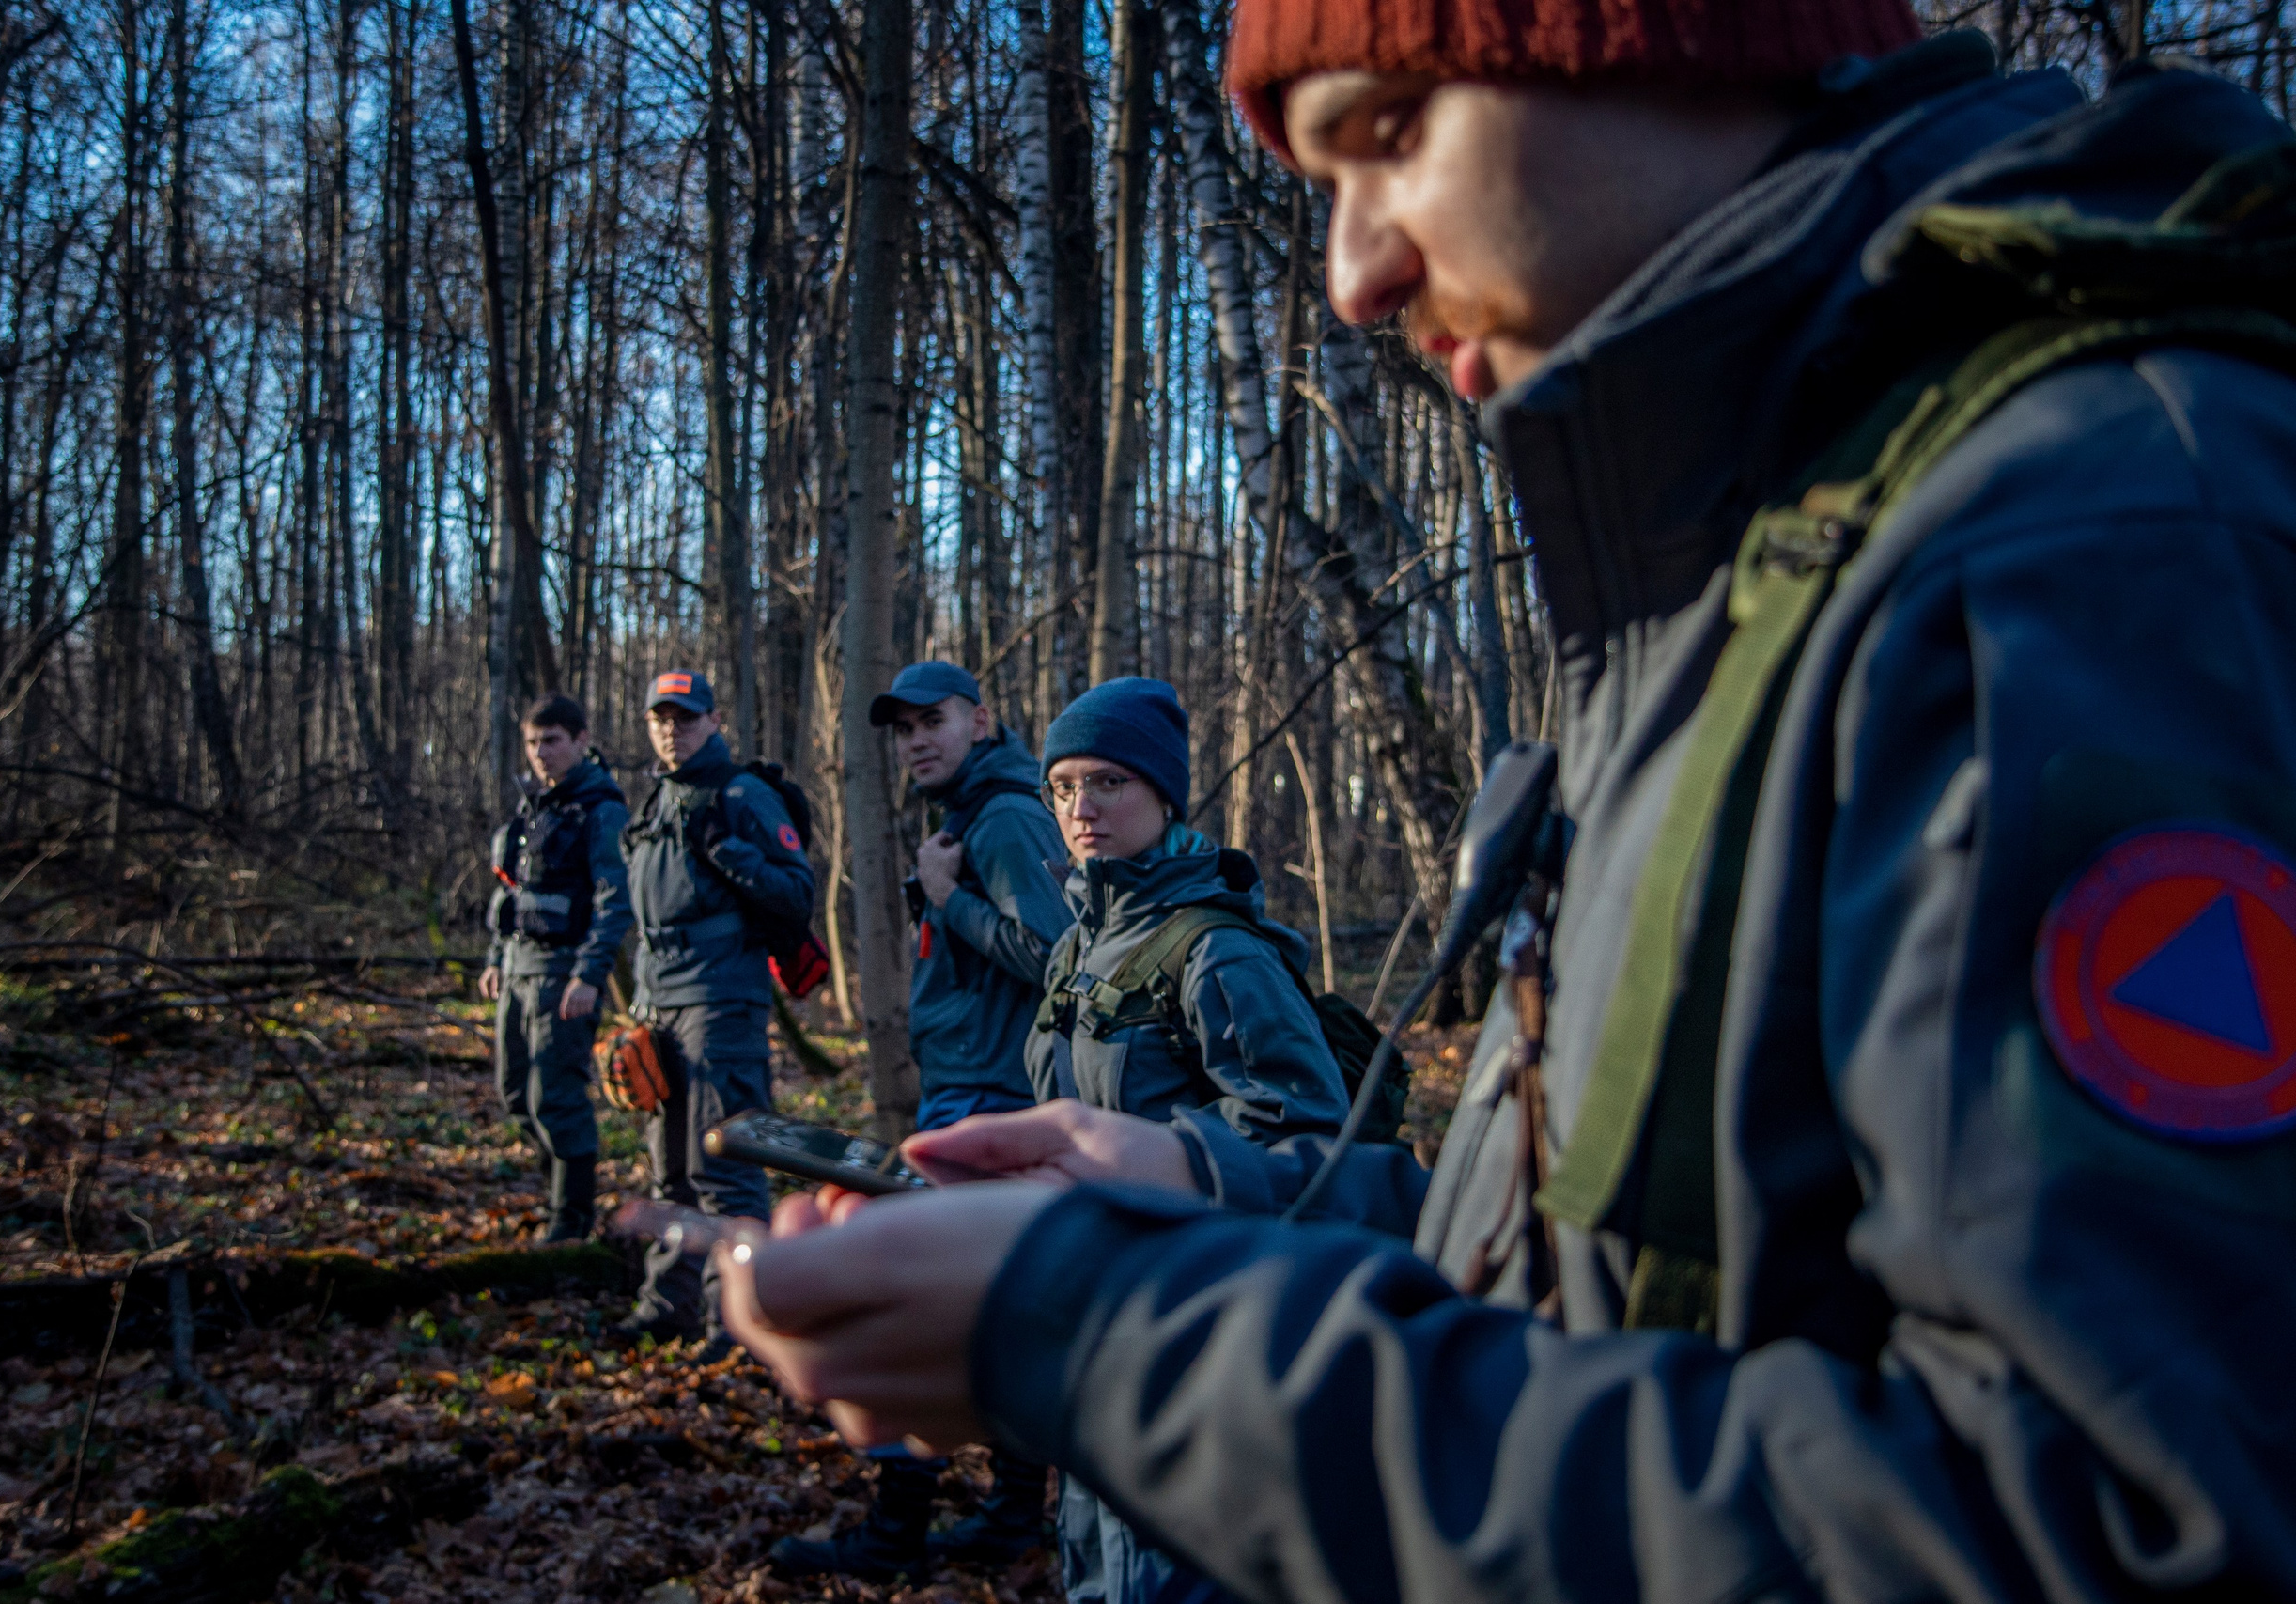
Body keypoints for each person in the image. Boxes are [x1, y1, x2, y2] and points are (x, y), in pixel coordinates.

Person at [714, 5, 2296, 1602]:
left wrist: (1128, 1347)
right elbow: (1624, 1272)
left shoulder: (2098, 537)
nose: (1353, 272)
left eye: (1390, 132)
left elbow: (2122, 1526)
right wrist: (1203, 1191)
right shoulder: (1748, 569)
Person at [1035, 677, 1354, 1604]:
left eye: (1105, 783)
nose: (1080, 808)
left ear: (1161, 794)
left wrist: (1148, 1167)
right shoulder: (1079, 943)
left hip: (1188, 1307)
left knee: (1160, 1566)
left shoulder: (1217, 950)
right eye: (1061, 787)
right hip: (1088, 1292)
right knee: (1092, 1552)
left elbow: (1305, 1134)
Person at [771, 661, 1074, 1582]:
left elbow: (1053, 955)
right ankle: (1012, 1513)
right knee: (1001, 1313)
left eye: (933, 721)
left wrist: (949, 900)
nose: (917, 742)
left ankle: (899, 1531)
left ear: (980, 718)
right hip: (967, 1094)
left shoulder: (1011, 814)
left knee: (903, 1300)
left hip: (993, 1104)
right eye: (903, 730)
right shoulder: (965, 817)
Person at [617, 669, 814, 1347]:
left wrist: (728, 852)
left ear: (714, 719)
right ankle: (666, 1303)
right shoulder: (654, 802)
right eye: (661, 719)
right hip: (660, 999)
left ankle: (737, 1317)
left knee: (722, 1161)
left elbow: (795, 892)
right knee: (668, 1165)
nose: (673, 730)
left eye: (686, 717)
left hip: (721, 999)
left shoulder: (742, 794)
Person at [478, 693, 632, 1242]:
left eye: (553, 741)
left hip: (564, 974)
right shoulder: (533, 808)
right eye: (533, 742)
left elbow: (617, 898)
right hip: (518, 971)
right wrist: (498, 957)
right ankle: (556, 1201)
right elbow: (512, 891)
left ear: (580, 742)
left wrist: (589, 973)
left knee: (557, 1096)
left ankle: (571, 1221)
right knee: (516, 1093)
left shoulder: (601, 809)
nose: (542, 753)